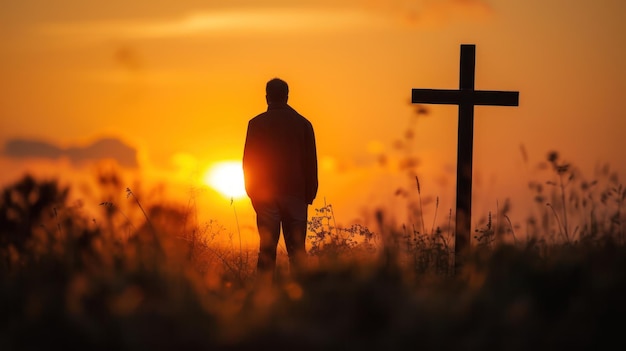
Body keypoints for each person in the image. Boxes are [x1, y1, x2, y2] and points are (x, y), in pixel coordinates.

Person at [242, 78, 318, 283]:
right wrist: (308, 195)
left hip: (265, 196)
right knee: (297, 252)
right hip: (296, 194)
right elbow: (311, 163)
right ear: (287, 96)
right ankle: (302, 296)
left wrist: (253, 194)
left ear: (267, 96)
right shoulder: (303, 124)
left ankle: (264, 297)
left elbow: (248, 163)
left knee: (266, 250)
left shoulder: (256, 124)